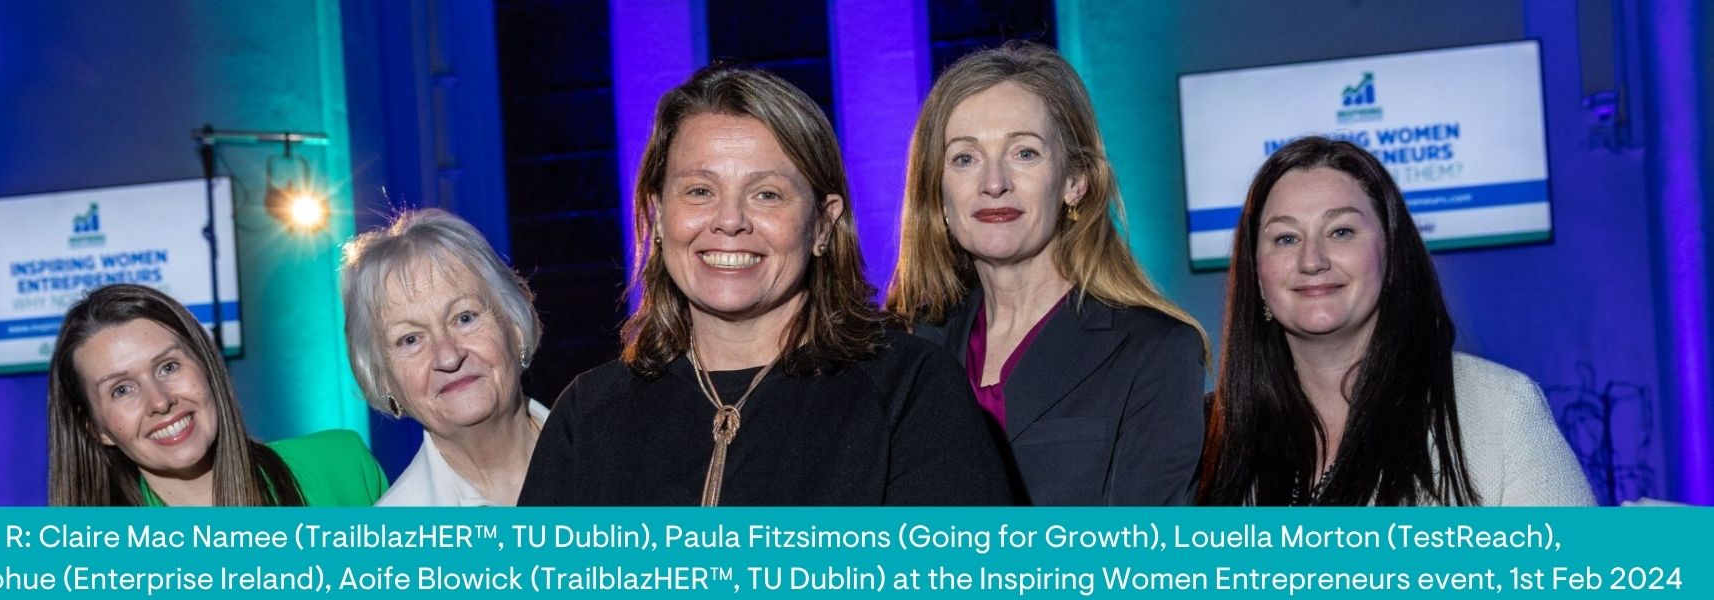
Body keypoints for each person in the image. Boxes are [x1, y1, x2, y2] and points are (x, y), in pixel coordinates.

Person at [519, 64, 1013, 506]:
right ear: (659, 216)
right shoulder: (590, 413)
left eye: (767, 194)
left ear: (823, 224)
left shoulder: (911, 389)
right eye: (699, 191)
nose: (730, 220)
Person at [885, 41, 1208, 505]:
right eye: (964, 158)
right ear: (938, 196)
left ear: (1075, 182)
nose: (994, 183)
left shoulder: (1156, 351)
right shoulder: (906, 346)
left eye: (1025, 153)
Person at [1198, 136, 1594, 506]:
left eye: (1341, 231)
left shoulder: (1498, 407)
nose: (1312, 260)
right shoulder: (1206, 439)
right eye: (1286, 238)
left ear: (1390, 258)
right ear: (1257, 275)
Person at [46, 284, 387, 506]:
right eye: (122, 390)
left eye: (168, 367)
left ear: (207, 366)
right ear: (95, 426)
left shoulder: (342, 467)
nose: (160, 401)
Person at [341, 208, 546, 506]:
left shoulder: (617, 449)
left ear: (514, 327)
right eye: (410, 339)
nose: (448, 357)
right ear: (384, 380)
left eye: (464, 318)